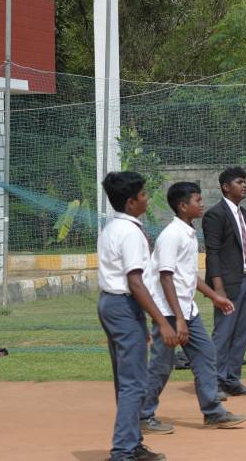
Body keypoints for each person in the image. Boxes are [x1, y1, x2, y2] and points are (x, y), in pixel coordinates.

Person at [141, 182, 246, 434]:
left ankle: (213, 413)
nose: (201, 205)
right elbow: (165, 277)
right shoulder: (171, 235)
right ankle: (143, 416)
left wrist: (214, 297)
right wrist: (177, 320)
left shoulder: (188, 232)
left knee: (206, 355)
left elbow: (188, 276)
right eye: (197, 201)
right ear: (182, 206)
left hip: (187, 310)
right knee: (161, 365)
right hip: (168, 312)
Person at [96, 171, 171, 461]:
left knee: (126, 380)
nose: (147, 199)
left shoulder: (112, 227)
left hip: (110, 304)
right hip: (124, 306)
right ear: (130, 202)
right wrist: (161, 321)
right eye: (143, 195)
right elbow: (135, 282)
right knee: (134, 383)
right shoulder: (130, 233)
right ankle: (123, 451)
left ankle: (132, 443)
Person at [203, 166, 246, 398]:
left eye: (245, 181)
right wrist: (217, 289)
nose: (244, 185)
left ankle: (232, 379)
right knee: (223, 333)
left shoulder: (244, 214)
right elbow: (213, 253)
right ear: (226, 187)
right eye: (239, 182)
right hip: (227, 285)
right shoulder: (215, 214)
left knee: (241, 332)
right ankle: (214, 382)